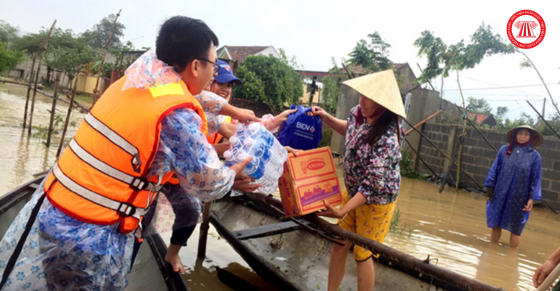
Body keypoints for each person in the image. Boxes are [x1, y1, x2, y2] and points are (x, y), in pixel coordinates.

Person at [0, 16, 254, 290]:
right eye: (214, 66)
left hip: (54, 210)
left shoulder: (138, 76)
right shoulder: (178, 114)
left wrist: (233, 113)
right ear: (195, 66)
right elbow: (208, 184)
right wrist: (231, 173)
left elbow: (198, 98)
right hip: (91, 234)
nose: (214, 76)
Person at [312, 70, 406, 291]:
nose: (361, 102)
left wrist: (343, 209)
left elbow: (371, 186)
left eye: (368, 99)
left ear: (383, 105)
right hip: (355, 191)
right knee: (340, 241)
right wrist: (326, 118)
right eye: (361, 95)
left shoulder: (388, 139)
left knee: (363, 253)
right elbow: (350, 129)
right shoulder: (358, 114)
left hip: (375, 202)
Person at [485, 125, 542, 248]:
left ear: (530, 137)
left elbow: (535, 178)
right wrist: (490, 190)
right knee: (496, 223)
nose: (522, 136)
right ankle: (492, 250)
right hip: (500, 193)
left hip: (520, 197)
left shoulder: (534, 156)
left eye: (526, 134)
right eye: (520, 133)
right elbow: (494, 169)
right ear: (515, 135)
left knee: (516, 228)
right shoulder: (504, 150)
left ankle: (512, 255)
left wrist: (531, 198)